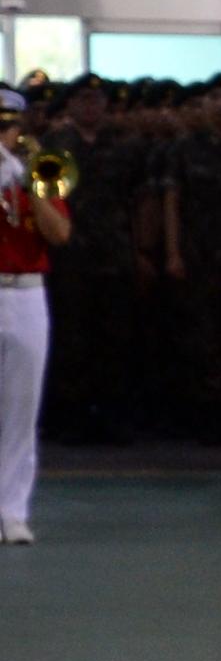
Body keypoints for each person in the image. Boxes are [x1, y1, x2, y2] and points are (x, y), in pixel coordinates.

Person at [0, 90, 73, 544]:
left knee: (21, 408)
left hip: (26, 292)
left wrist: (30, 185)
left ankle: (11, 510)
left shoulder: (42, 169)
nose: (5, 135)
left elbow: (59, 233)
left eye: (9, 126)